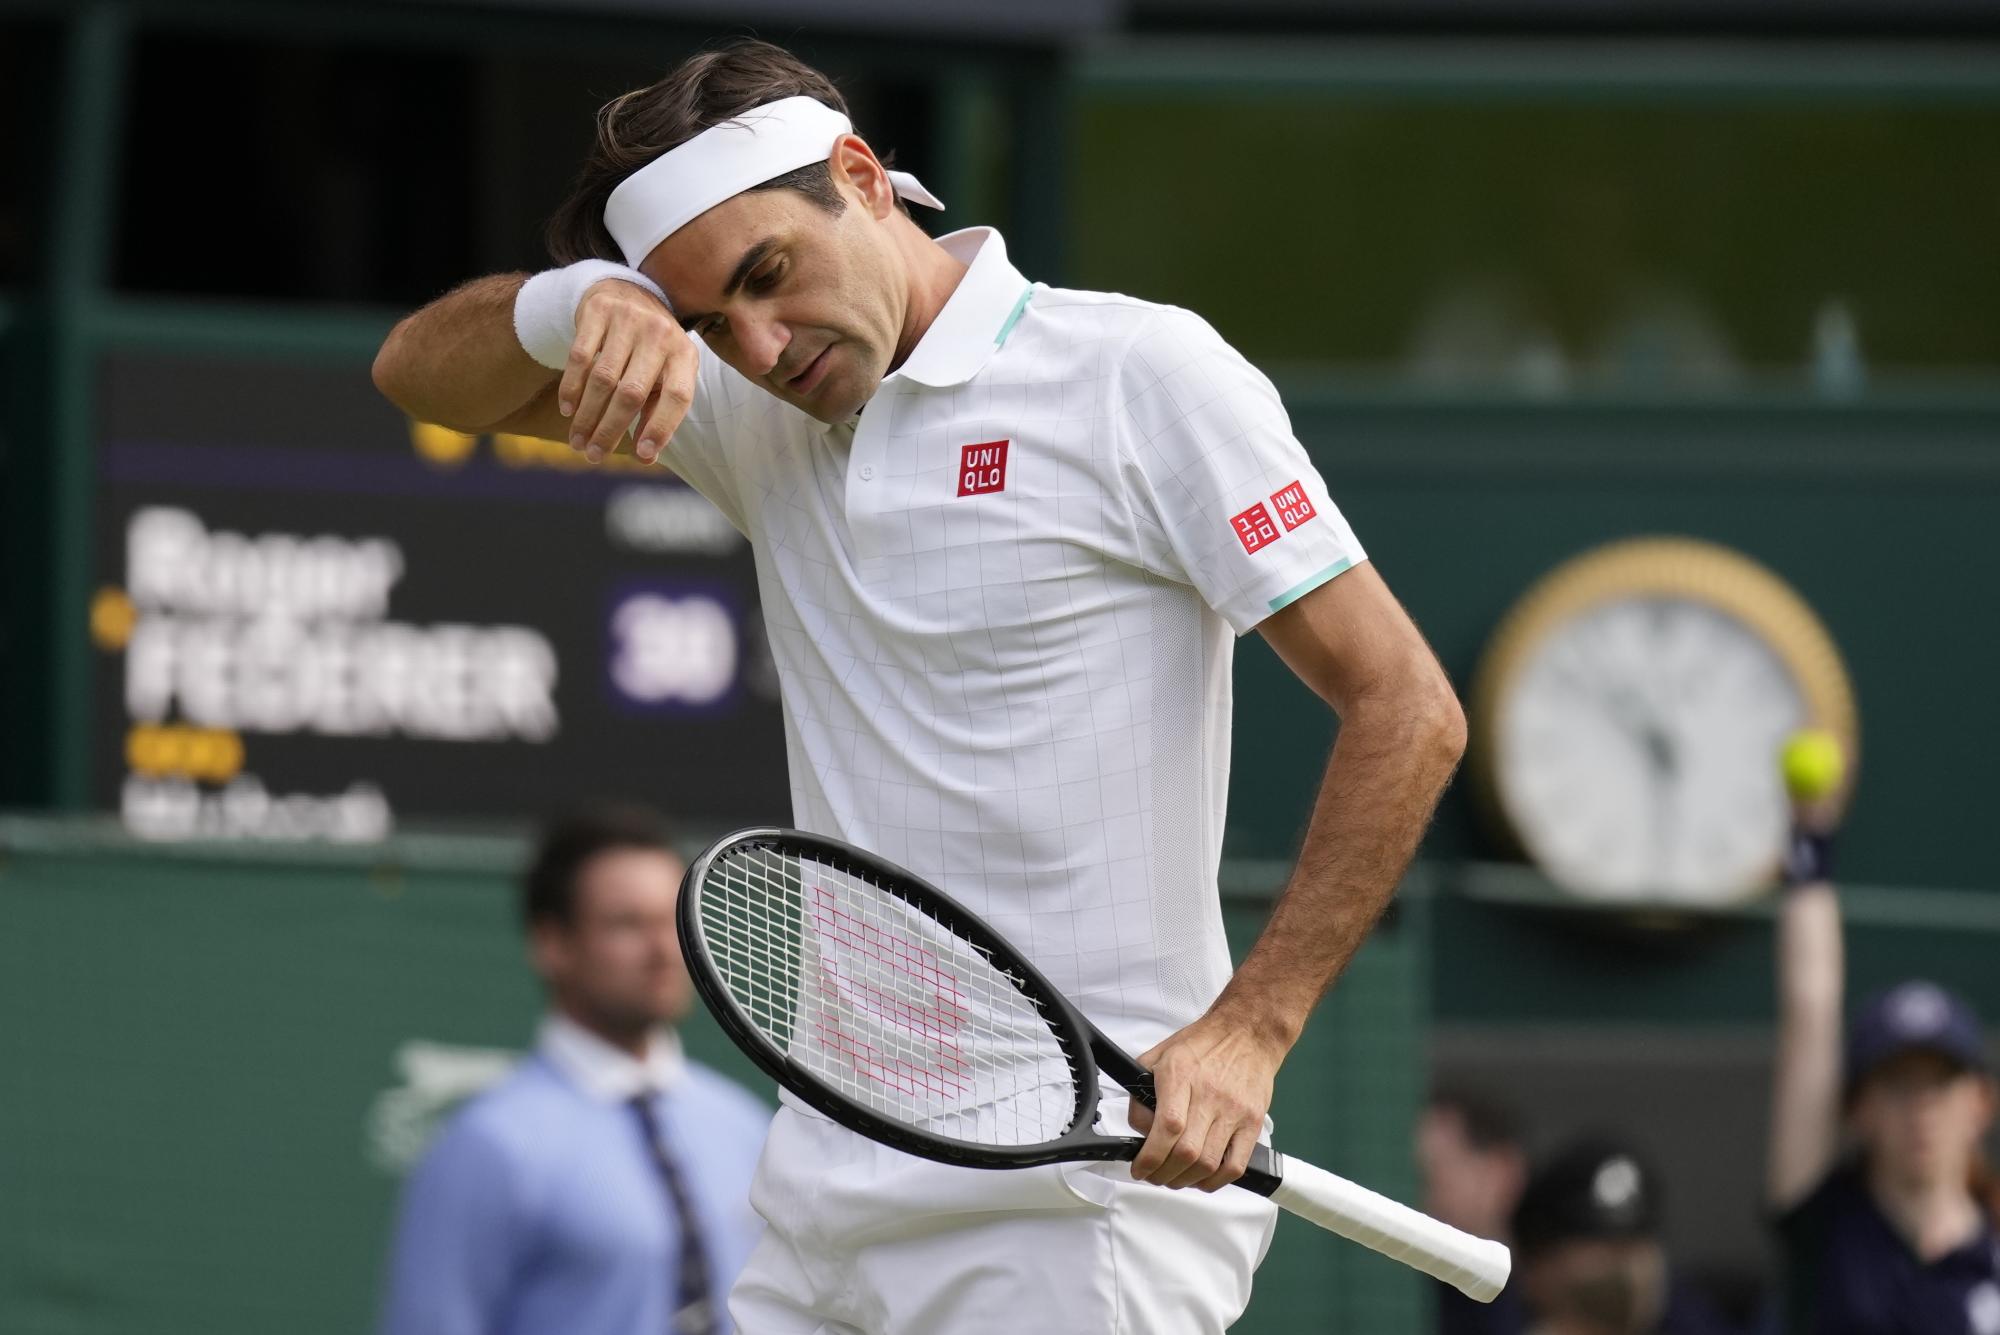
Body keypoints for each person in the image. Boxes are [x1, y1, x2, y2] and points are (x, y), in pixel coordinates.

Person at [371, 38, 1465, 1333]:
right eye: (712, 320)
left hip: (1079, 1202)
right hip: (825, 1197)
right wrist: (579, 304)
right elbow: (415, 373)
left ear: (861, 175)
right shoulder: (747, 404)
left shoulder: (1142, 375)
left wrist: (1248, 1030)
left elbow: (1407, 706)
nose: (763, 345)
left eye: (769, 274)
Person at [378, 808, 771, 1335]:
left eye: (672, 920)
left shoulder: (742, 1124)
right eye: (627, 925)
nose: (662, 951)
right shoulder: (489, 1145)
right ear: (552, 944)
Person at [1766, 790, 2000, 1333]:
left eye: (1940, 1083)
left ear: (1981, 1104)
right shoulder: (1824, 1226)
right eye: (1898, 1084)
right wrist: (1810, 845)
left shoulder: (1989, 1250)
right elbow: (1811, 1007)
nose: (1922, 1109)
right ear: (1859, 1109)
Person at [1513, 1137, 1739, 1335]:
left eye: (1638, 1242)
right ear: (1539, 1264)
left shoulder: (1693, 1319)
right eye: (1606, 1244)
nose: (1628, 1264)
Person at [1419, 1086, 1532, 1335]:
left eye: (1433, 1176)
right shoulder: (1412, 1300)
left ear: (1501, 1172)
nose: (1420, 1197)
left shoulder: (1542, 1305)